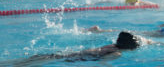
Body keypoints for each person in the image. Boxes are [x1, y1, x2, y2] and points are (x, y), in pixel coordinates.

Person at [19, 32, 149, 64]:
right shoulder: (117, 54)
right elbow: (103, 63)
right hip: (76, 59)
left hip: (72, 54)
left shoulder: (111, 46)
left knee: (34, 60)